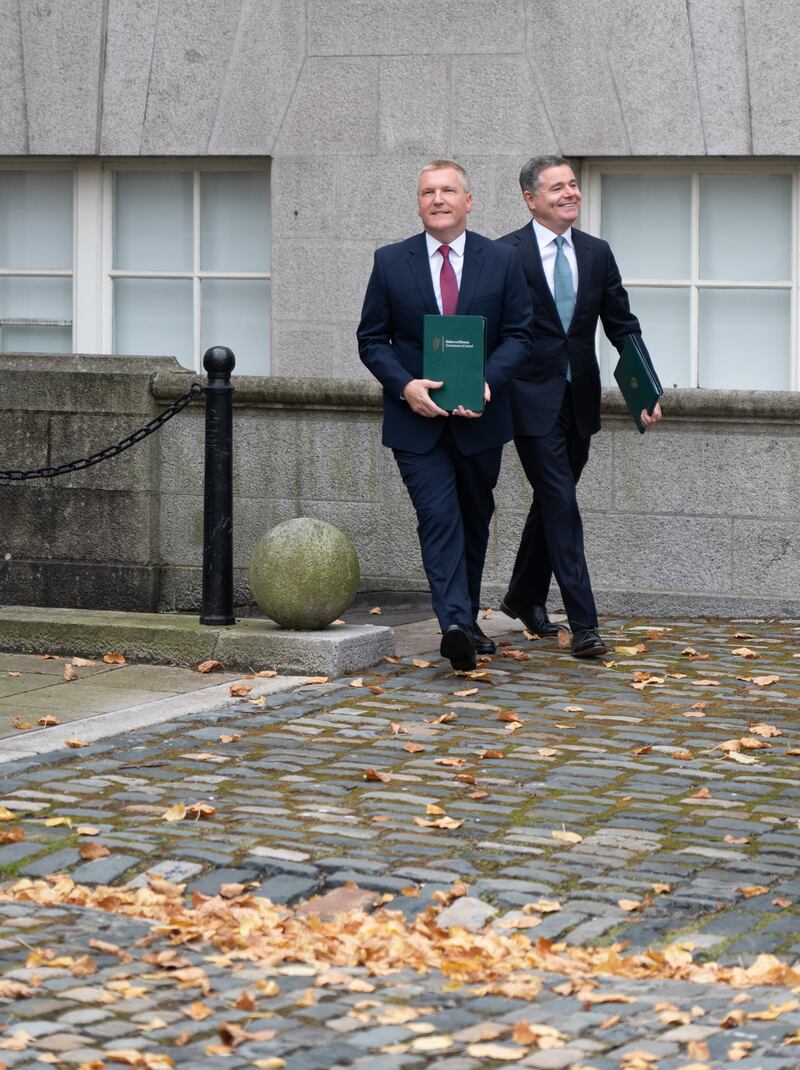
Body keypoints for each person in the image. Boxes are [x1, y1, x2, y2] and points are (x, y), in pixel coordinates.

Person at [358, 160, 533, 671]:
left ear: (468, 201)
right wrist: (405, 385)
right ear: (419, 203)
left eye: (448, 191)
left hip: (480, 421)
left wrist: (487, 382)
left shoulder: (501, 260)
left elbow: (520, 336)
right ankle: (454, 623)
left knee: (474, 521)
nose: (438, 199)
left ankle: (468, 620)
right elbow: (372, 340)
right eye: (428, 192)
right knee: (438, 518)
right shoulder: (391, 261)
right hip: (417, 422)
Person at [498, 155, 662, 658]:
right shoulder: (506, 253)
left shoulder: (596, 252)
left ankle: (523, 597)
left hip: (580, 399)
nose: (570, 193)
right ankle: (585, 624)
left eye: (573, 184)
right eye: (556, 188)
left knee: (553, 500)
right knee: (562, 503)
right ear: (531, 199)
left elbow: (621, 324)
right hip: (529, 401)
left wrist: (645, 390)